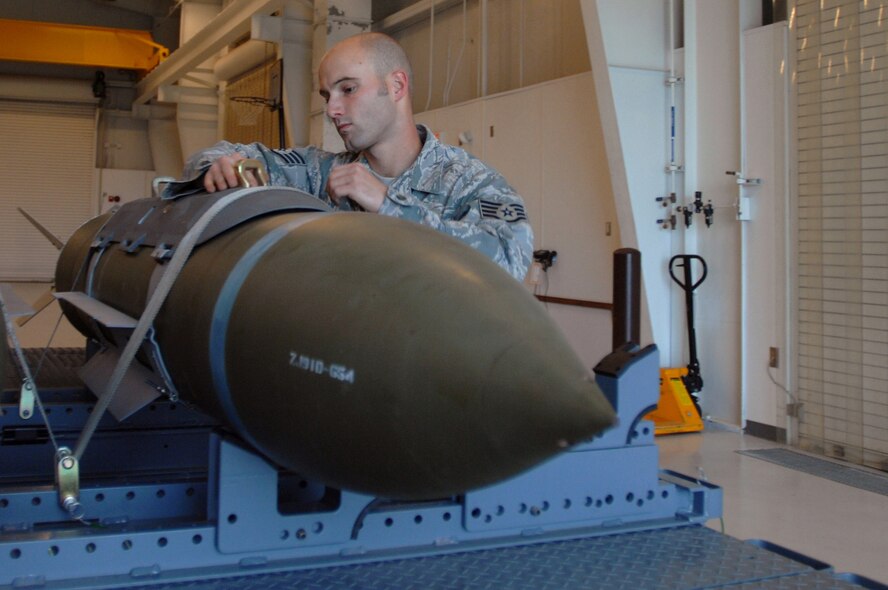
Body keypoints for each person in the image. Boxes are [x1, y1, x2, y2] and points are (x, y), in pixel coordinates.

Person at [178, 32, 532, 281]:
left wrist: (390, 206)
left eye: (348, 89)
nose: (332, 109)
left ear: (396, 86)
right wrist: (220, 166)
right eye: (326, 94)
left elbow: (508, 264)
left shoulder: (469, 183)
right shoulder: (322, 173)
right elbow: (218, 154)